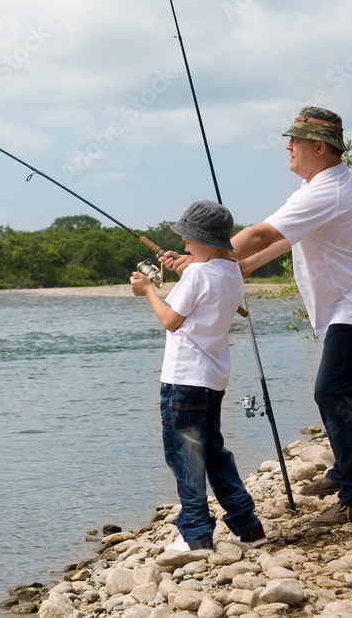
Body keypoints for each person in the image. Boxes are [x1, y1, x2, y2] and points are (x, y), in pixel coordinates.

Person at [227, 106, 352, 525]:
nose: (288, 146)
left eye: (295, 140)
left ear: (318, 147)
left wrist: (209, 259)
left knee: (334, 394)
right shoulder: (320, 184)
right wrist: (248, 265)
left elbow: (262, 233)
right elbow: (288, 237)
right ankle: (347, 472)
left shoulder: (325, 190)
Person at [130, 200, 266, 550]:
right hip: (213, 380)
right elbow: (206, 290)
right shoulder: (231, 270)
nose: (185, 246)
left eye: (189, 240)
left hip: (183, 379)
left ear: (203, 240)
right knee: (214, 452)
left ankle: (195, 534)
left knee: (184, 455)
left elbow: (171, 320)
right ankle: (247, 526)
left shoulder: (197, 273)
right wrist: (186, 269)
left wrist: (147, 289)